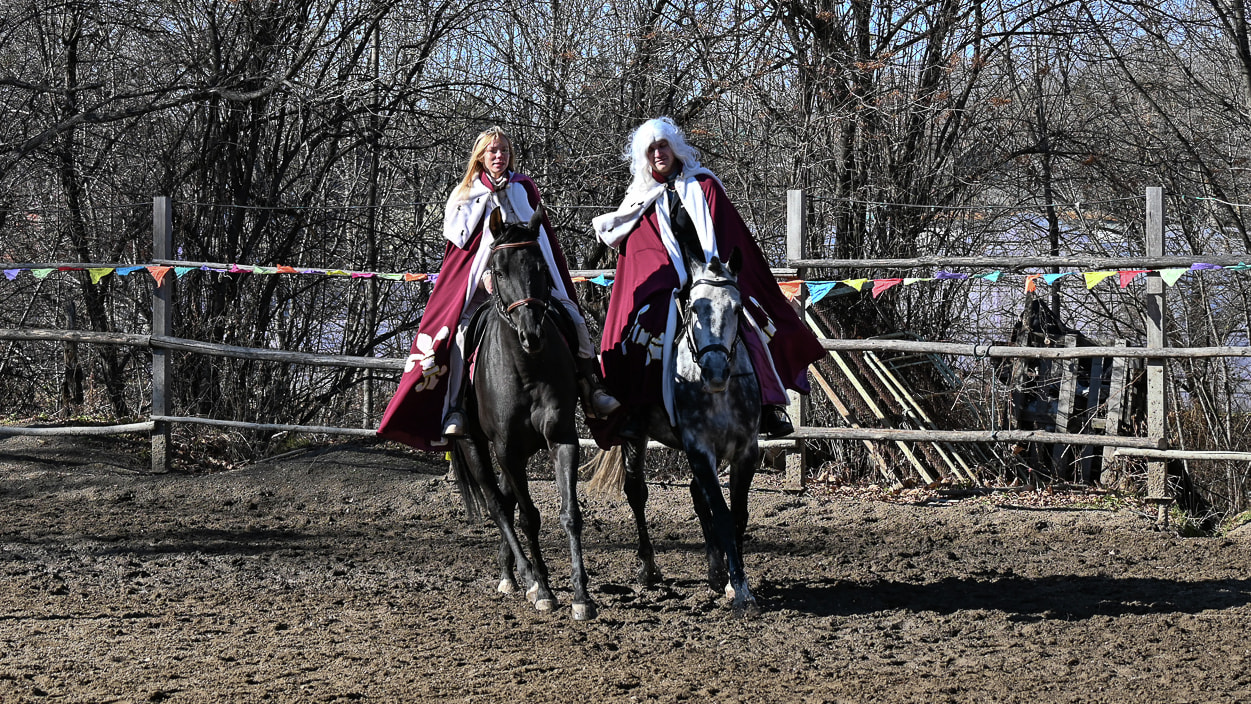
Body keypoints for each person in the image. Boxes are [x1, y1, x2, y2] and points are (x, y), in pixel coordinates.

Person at [378, 127, 619, 450]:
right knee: (460, 337)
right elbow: (462, 257)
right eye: (492, 151)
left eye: (504, 150)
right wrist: (482, 279)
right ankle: (458, 407)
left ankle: (590, 388)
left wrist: (541, 275)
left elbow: (543, 241)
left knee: (573, 319)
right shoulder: (465, 196)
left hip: (526, 285)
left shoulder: (524, 188)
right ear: (481, 156)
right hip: (479, 289)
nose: (499, 156)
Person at [591, 117, 824, 440]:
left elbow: (730, 238)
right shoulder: (638, 200)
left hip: (712, 279)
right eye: (652, 149)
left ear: (674, 148)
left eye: (663, 146)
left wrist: (719, 277)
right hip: (668, 287)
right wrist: (670, 281)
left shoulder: (704, 185)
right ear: (644, 157)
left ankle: (767, 405)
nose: (659, 153)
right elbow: (642, 257)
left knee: (750, 324)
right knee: (645, 333)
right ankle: (638, 409)